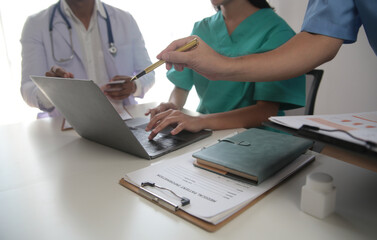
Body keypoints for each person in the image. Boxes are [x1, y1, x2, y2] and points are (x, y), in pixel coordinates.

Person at [145, 0, 305, 140]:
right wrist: (173, 106)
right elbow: (181, 85)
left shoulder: (277, 32)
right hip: (206, 134)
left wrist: (200, 121)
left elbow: (265, 111)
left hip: (256, 140)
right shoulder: (202, 28)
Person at [156, 0, 376, 83]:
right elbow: (321, 38)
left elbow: (266, 111)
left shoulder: (275, 29)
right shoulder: (201, 28)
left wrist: (223, 67)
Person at [21, 0, 154, 117]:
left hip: (124, 118)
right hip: (69, 126)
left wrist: (134, 85)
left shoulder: (125, 19)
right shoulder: (36, 25)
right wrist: (51, 90)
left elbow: (148, 72)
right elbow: (27, 87)